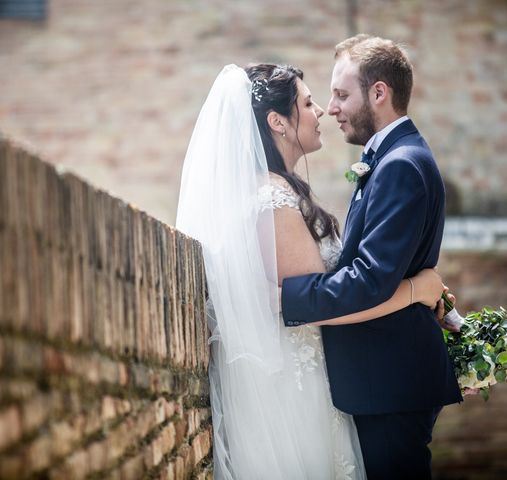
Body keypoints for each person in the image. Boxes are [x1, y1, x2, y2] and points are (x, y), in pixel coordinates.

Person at [176, 63, 445, 479]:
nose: (321, 110)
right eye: (308, 102)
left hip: (315, 379)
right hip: (300, 388)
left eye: (334, 96)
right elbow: (326, 301)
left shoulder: (272, 190)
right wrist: (417, 289)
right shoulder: (274, 198)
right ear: (277, 122)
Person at [280, 35, 463, 479]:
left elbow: (369, 280)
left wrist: (289, 298)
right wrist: (421, 289)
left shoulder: (399, 164)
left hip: (390, 387)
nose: (332, 107)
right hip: (384, 382)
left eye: (342, 94)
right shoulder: (392, 158)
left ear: (379, 93)